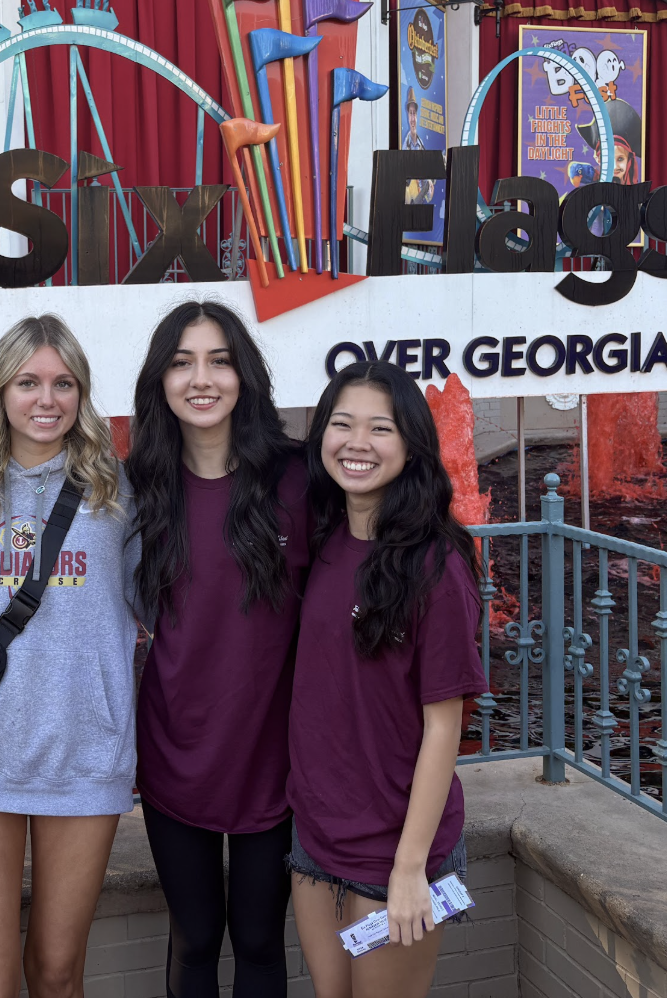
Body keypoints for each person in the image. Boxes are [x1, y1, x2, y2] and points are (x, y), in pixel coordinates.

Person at [0, 314, 141, 998]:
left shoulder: (118, 492)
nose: (46, 399)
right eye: (27, 382)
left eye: (63, 383)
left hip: (84, 752)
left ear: (82, 394)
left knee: (55, 971)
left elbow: (163, 606)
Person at [288, 360, 487, 998]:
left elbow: (442, 726)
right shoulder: (321, 540)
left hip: (396, 857)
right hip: (316, 842)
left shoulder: (436, 565)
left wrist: (410, 870)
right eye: (341, 424)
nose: (357, 443)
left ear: (411, 445)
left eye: (381, 428)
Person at [126, 302, 308, 998]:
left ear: (244, 376)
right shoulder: (138, 487)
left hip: (275, 758)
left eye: (218, 360)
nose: (200, 379)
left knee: (260, 939)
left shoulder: (298, 480)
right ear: (160, 381)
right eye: (181, 362)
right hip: (175, 752)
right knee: (195, 938)